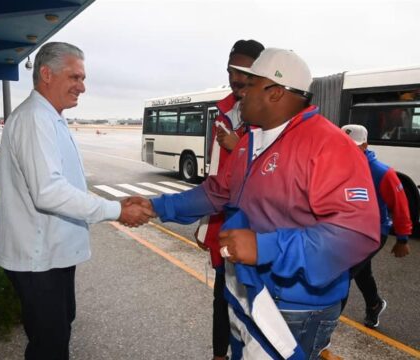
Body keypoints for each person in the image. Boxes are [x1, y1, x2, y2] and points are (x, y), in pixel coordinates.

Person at [137, 48, 380, 359]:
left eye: (248, 86)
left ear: (275, 93)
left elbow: (357, 233)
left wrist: (267, 248)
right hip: (245, 291)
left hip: (292, 307)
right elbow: (215, 192)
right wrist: (156, 206)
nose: (239, 96)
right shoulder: (249, 142)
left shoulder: (328, 145)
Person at [0, 42, 154, 360]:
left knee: (58, 330)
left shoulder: (51, 117)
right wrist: (117, 210)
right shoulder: (34, 120)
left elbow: (66, 183)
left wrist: (119, 203)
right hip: (38, 259)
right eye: (75, 77)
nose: (82, 86)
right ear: (46, 74)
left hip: (52, 256)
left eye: (83, 78)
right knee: (49, 345)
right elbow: (49, 192)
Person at [195, 39, 264, 360]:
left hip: (258, 228)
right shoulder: (224, 112)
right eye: (230, 70)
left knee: (255, 300)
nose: (235, 78)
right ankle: (219, 355)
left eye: (243, 71)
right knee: (222, 293)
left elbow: (276, 176)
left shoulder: (273, 113)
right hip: (225, 220)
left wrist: (240, 147)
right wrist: (205, 220)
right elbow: (215, 174)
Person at [341, 124, 412, 328]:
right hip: (346, 229)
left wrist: (402, 238)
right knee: (361, 272)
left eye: (352, 145)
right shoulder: (337, 165)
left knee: (341, 274)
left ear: (365, 144)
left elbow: (400, 206)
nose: (346, 149)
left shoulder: (382, 172)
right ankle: (374, 305)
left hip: (373, 232)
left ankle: (325, 328)